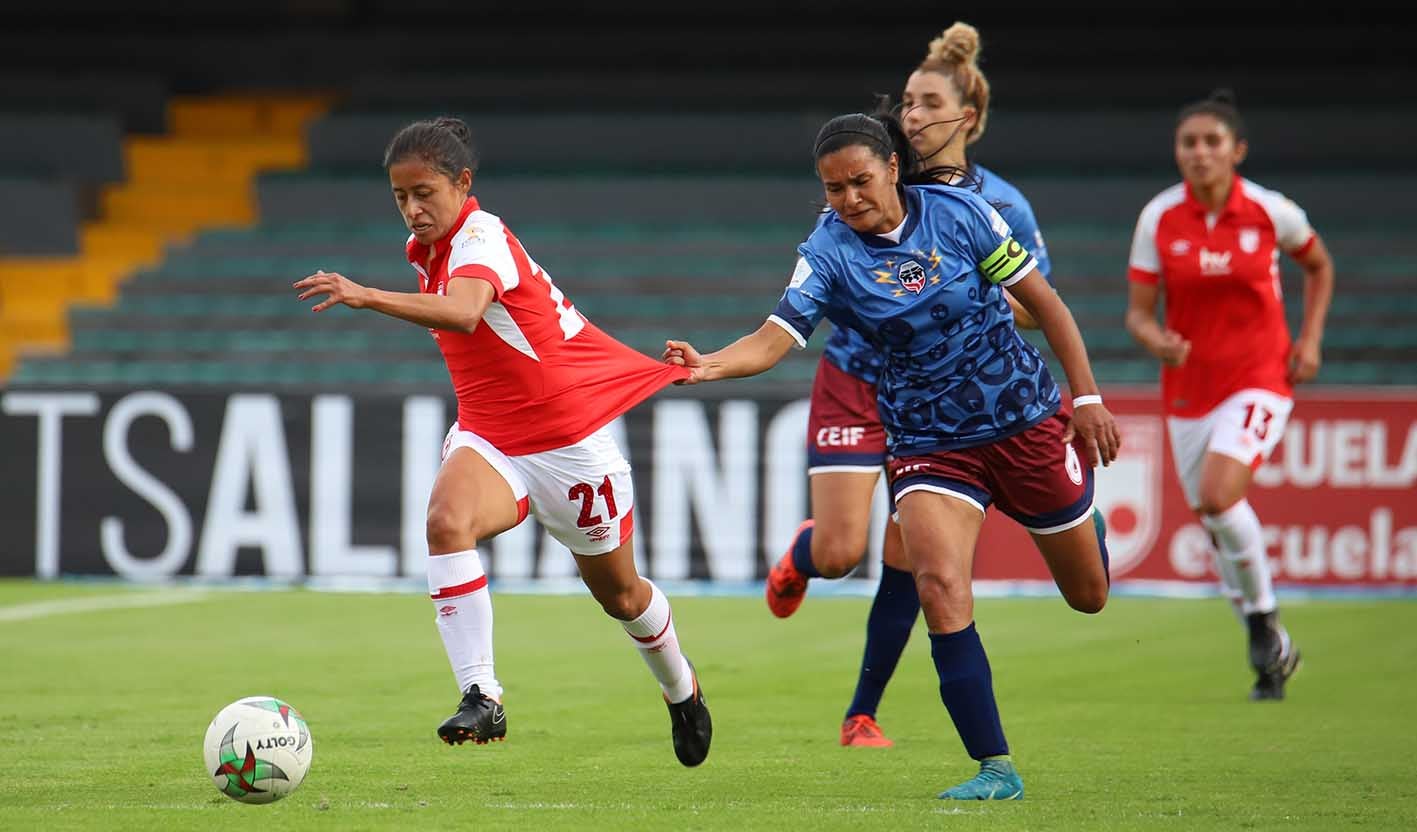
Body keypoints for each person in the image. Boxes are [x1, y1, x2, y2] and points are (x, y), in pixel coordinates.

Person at [664, 111, 1119, 799]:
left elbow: (1045, 307)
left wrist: (1084, 401)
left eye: (859, 181)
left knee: (1088, 597)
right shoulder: (826, 249)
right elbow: (776, 333)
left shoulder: (963, 215)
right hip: (927, 440)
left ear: (893, 170)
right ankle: (994, 767)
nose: (847, 199)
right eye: (832, 188)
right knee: (937, 585)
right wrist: (711, 366)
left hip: (1021, 419)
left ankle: (1084, 523)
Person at [292, 116, 712, 765]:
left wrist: (364, 295)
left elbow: (463, 313)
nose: (412, 209)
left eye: (424, 192)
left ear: (462, 183)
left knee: (621, 595)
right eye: (400, 197)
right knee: (445, 521)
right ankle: (481, 696)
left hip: (568, 443)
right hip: (491, 436)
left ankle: (680, 689)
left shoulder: (481, 236)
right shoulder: (424, 252)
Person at [762, 21, 1073, 751]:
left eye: (928, 102)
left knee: (909, 555)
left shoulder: (995, 205)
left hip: (941, 406)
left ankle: (860, 713)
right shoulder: (865, 185)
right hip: (856, 376)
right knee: (839, 553)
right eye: (905, 101)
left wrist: (970, 298)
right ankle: (802, 556)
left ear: (966, 116)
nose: (911, 115)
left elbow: (1037, 305)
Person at [1125, 90, 1333, 701]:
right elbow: (1137, 314)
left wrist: (1311, 340)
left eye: (1212, 142)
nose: (1199, 153)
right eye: (1188, 143)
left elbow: (1319, 266)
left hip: (1261, 377)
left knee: (1219, 497)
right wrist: (1156, 339)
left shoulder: (1271, 212)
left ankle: (1263, 621)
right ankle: (1272, 655)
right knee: (1216, 523)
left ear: (1236, 150)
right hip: (1189, 390)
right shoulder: (1158, 218)